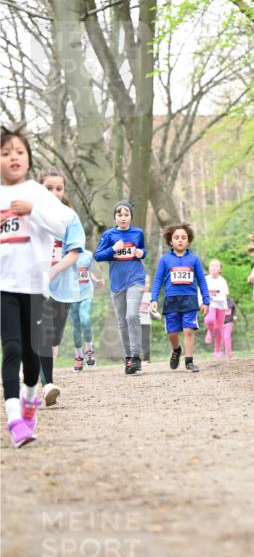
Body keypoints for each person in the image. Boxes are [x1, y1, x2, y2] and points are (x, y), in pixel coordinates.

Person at [1, 127, 71, 447]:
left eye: (19, 152)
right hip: (4, 285)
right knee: (12, 348)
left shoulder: (39, 193)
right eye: (5, 153)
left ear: (28, 159)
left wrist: (33, 210)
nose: (13, 157)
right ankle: (14, 419)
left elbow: (61, 226)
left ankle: (30, 402)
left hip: (35, 286)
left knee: (32, 355)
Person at [38, 168, 86, 405]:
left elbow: (74, 253)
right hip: (35, 286)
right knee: (42, 335)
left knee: (53, 337)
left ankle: (39, 371)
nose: (54, 193)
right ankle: (47, 385)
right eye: (48, 188)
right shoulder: (30, 215)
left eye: (59, 188)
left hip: (63, 287)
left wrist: (52, 271)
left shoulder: (70, 217)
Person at [94, 200, 146, 375]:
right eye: (119, 215)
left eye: (126, 214)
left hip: (136, 279)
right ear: (115, 217)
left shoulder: (138, 233)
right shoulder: (109, 235)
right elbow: (98, 256)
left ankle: (137, 357)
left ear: (131, 216)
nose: (123, 218)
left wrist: (142, 253)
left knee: (132, 315)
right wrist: (113, 249)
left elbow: (142, 250)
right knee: (122, 322)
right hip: (117, 283)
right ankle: (128, 357)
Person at [150, 222, 209, 373]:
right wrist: (154, 299)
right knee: (172, 332)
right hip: (171, 299)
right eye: (176, 237)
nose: (180, 240)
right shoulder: (165, 260)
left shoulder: (194, 259)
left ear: (188, 240)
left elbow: (202, 280)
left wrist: (206, 300)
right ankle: (176, 350)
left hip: (189, 299)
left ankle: (189, 361)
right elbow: (157, 280)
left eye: (184, 237)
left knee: (189, 330)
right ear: (170, 241)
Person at [71, 248, 105, 371]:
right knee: (76, 325)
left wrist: (96, 281)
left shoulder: (88, 255)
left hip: (86, 292)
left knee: (85, 320)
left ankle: (89, 350)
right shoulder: (65, 254)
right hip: (71, 295)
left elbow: (88, 272)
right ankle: (78, 356)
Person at [204, 258, 229, 360]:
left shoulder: (222, 281)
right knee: (209, 320)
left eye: (216, 266)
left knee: (219, 329)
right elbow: (200, 293)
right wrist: (201, 302)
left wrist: (213, 297)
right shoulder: (205, 279)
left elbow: (224, 296)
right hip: (209, 305)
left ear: (220, 269)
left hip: (221, 306)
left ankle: (217, 351)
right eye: (212, 266)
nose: (214, 267)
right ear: (209, 268)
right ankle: (210, 331)